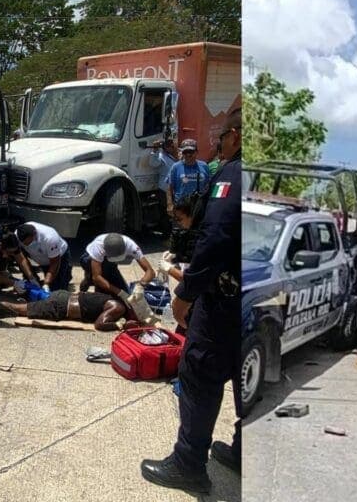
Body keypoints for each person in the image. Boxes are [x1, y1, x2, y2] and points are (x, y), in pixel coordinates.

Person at [141, 108, 241, 494]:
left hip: (224, 302)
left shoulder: (231, 175)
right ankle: (245, 451)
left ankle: (188, 465)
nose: (218, 142)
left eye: (222, 135)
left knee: (199, 375)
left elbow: (215, 239)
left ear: (234, 135)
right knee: (246, 373)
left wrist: (185, 293)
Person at [0, 290, 140, 331]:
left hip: (63, 297)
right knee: (19, 309)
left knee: (29, 307)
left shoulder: (115, 300)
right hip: (62, 306)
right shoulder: (118, 308)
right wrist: (120, 325)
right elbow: (99, 324)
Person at [78, 232, 155, 298]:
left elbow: (150, 271)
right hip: (89, 259)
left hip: (109, 263)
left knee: (127, 295)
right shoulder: (98, 246)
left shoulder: (131, 246)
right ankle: (88, 279)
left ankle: (92, 278)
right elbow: (97, 277)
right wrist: (118, 292)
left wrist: (141, 285)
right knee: (101, 289)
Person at [16, 222, 71, 292]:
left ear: (34, 234)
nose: (26, 245)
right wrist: (31, 278)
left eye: (28, 243)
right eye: (24, 243)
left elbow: (54, 263)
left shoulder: (50, 238)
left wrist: (46, 283)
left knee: (57, 289)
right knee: (33, 285)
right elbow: (20, 258)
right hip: (42, 257)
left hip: (59, 256)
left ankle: (67, 273)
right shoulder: (17, 234)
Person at [167, 139, 209, 213]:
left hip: (199, 208)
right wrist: (170, 204)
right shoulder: (176, 167)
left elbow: (208, 186)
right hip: (181, 209)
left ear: (196, 152)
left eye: (191, 152)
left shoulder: (204, 166)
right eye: (185, 152)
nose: (188, 155)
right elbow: (169, 187)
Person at [151, 138, 179, 216]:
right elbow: (153, 163)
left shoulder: (181, 156)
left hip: (178, 189)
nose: (171, 147)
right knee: (166, 212)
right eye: (168, 145)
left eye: (173, 145)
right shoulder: (161, 156)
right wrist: (155, 150)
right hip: (165, 189)